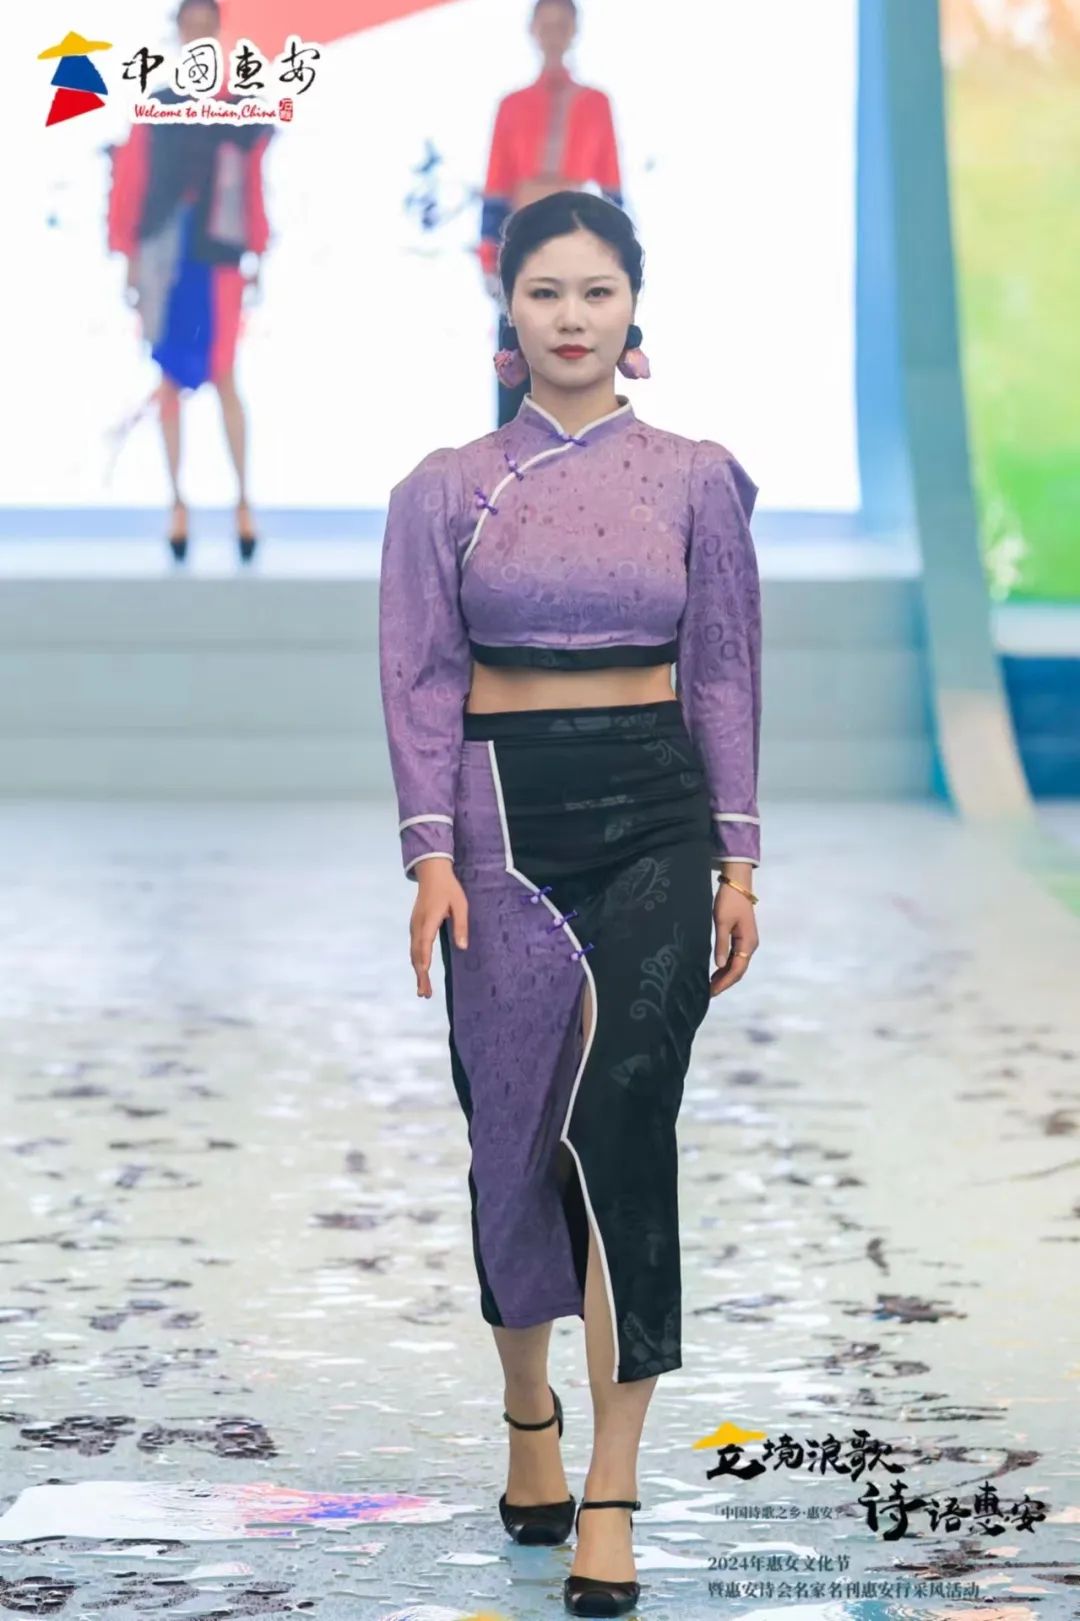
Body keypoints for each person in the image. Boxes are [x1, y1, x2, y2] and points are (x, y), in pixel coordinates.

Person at [378, 191, 761, 1617]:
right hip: (501, 833)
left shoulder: (698, 478)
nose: (573, 316)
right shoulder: (445, 489)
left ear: (633, 304)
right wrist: (428, 856)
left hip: (656, 819)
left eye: (597, 290)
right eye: (545, 292)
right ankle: (527, 1414)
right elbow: (421, 680)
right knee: (513, 1138)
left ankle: (613, 1486)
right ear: (508, 308)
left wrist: (738, 858)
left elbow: (724, 669)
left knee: (626, 1126)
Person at [106, 0, 272, 564]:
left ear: (218, 33)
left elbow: (252, 184)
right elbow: (133, 181)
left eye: (207, 26)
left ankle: (243, 502)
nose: (198, 34)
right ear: (178, 33)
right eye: (189, 26)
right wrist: (128, 253)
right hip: (164, 258)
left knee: (225, 373)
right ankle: (177, 503)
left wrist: (257, 251)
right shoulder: (156, 104)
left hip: (218, 258)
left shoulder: (240, 109)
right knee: (169, 378)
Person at [479, 0, 623, 426]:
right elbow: (496, 184)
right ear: (533, 30)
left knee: (576, 359)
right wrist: (488, 257)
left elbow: (613, 187)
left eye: (562, 24)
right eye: (546, 24)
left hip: (577, 247)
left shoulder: (595, 102)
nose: (554, 33)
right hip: (522, 245)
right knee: (517, 359)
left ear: (574, 30)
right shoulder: (512, 105)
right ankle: (512, 460)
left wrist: (622, 259)